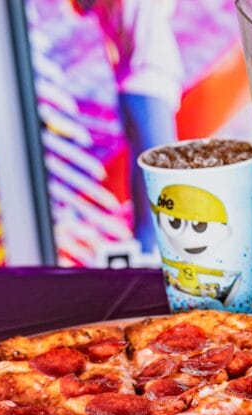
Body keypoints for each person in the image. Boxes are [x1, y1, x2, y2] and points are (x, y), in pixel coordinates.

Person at [71, 0, 184, 254]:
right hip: (147, 86)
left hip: (141, 87)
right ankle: (150, 258)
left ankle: (149, 252)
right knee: (160, 188)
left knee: (152, 187)